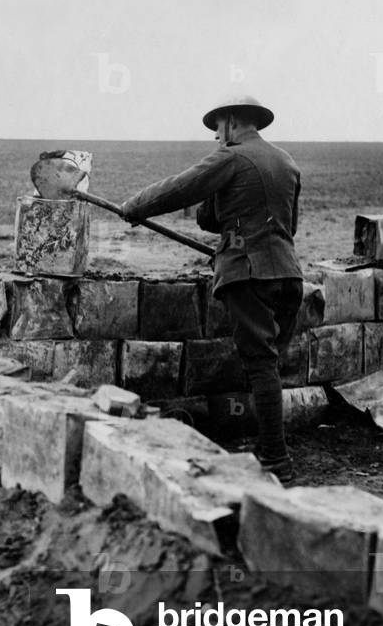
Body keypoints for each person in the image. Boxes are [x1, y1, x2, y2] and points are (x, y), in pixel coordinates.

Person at [120, 95, 303, 483]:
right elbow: (278, 224)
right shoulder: (287, 162)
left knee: (260, 364)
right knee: (270, 364)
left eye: (217, 127)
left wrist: (136, 206)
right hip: (288, 274)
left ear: (231, 122)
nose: (216, 137)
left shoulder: (232, 158)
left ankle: (275, 461)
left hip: (248, 273)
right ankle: (269, 449)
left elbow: (180, 188)